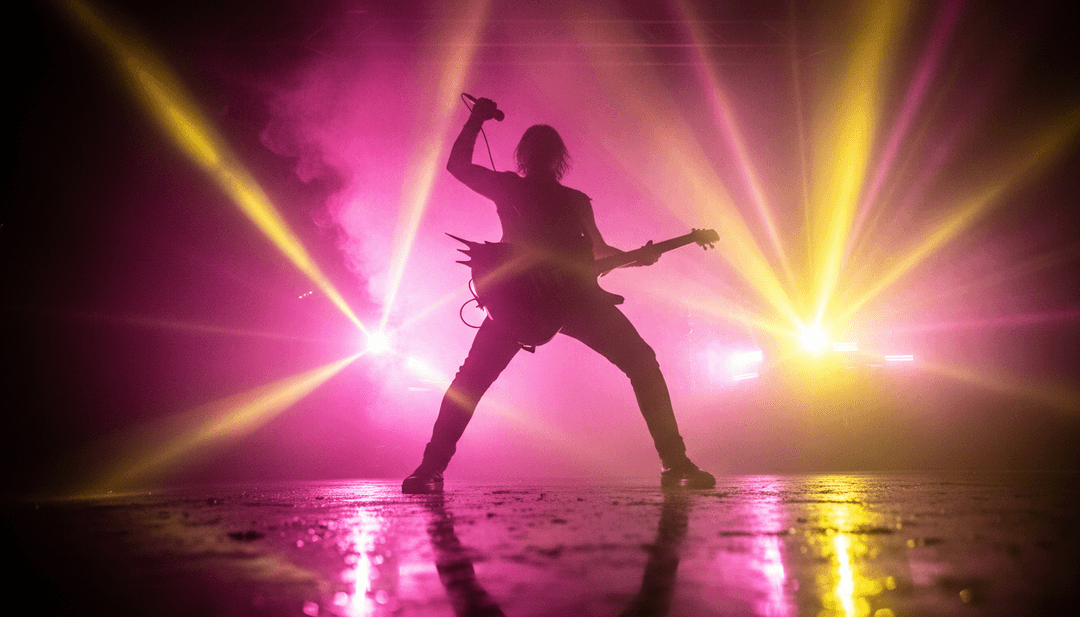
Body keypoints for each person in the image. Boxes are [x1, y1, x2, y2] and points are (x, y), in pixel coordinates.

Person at [402, 97, 714, 494]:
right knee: (473, 381)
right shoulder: (515, 189)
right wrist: (475, 119)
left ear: (539, 157)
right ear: (550, 158)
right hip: (524, 300)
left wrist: (640, 258)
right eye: (539, 151)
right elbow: (457, 168)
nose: (541, 157)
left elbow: (599, 252)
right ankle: (430, 466)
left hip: (565, 299)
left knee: (638, 362)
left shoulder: (568, 199)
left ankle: (430, 468)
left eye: (543, 152)